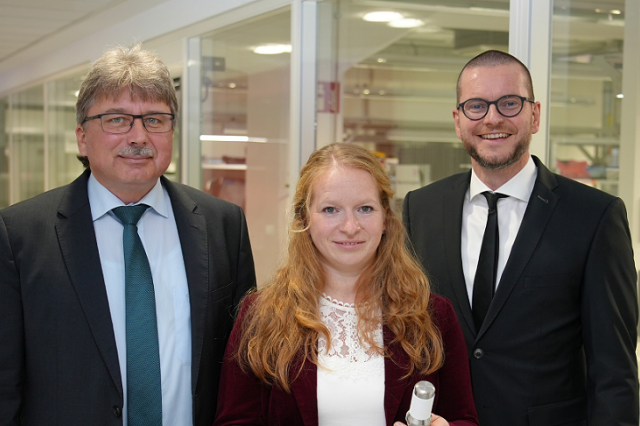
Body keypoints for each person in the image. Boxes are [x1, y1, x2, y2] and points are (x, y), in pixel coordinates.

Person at [0, 44, 256, 426]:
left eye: (155, 119)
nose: (138, 136)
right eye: (117, 119)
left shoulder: (224, 225)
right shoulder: (19, 236)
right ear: (82, 137)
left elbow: (243, 374)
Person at [403, 50, 639, 426]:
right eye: (476, 105)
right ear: (457, 120)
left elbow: (614, 373)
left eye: (509, 103)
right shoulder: (420, 208)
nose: (492, 118)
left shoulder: (593, 217)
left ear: (535, 115)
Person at [213, 143, 479, 426]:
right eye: (330, 210)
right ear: (305, 219)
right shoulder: (261, 316)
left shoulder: (433, 316)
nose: (350, 226)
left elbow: (464, 418)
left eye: (365, 208)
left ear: (386, 218)